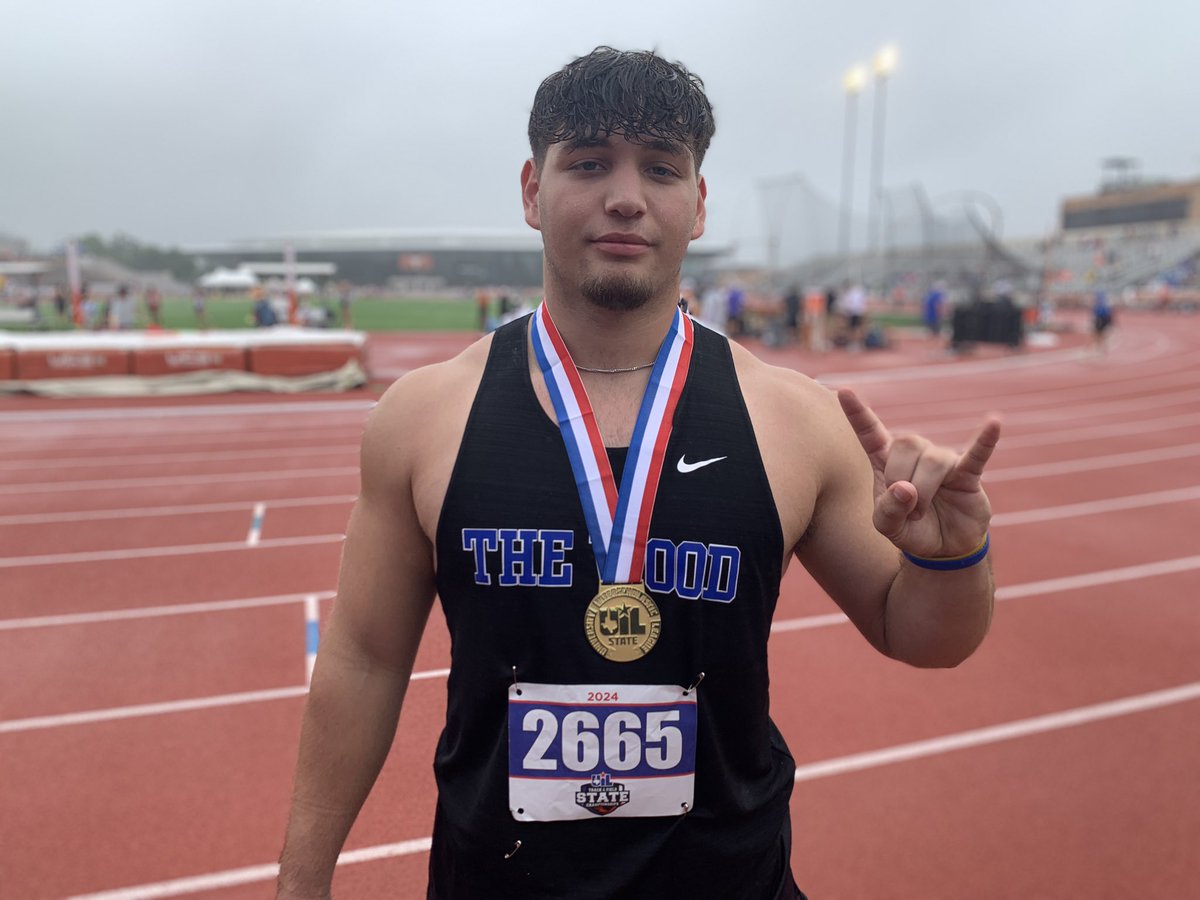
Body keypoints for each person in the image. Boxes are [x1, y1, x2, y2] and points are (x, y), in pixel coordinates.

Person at [277, 47, 999, 900]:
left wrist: (949, 556)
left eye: (661, 167)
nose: (627, 195)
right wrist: (301, 884)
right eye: (588, 162)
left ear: (696, 205)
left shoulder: (796, 419)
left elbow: (924, 636)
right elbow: (362, 659)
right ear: (531, 191)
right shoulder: (425, 416)